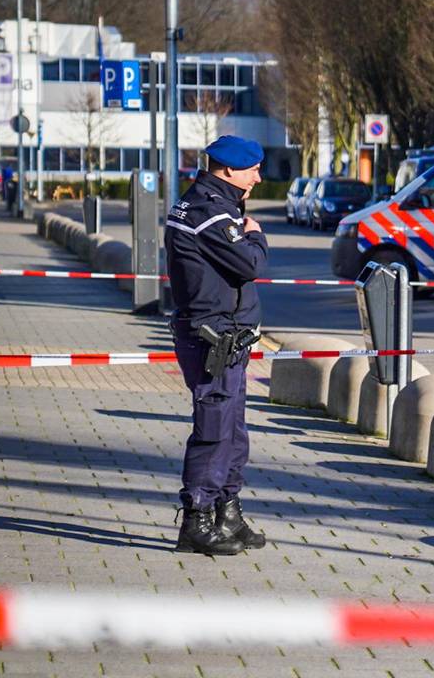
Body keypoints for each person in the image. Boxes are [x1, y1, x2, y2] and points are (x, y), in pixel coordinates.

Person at [165, 135, 269, 556]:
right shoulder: (209, 212)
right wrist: (257, 236)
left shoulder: (214, 203)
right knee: (213, 430)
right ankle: (197, 520)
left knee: (233, 429)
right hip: (213, 336)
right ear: (227, 170)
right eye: (252, 171)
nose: (259, 179)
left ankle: (227, 512)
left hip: (228, 334)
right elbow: (250, 264)